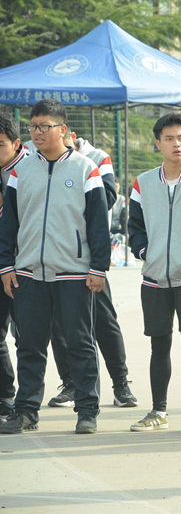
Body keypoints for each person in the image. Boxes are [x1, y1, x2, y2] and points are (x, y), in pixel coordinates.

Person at [0, 99, 110, 435]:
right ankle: (26, 412)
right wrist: (6, 265)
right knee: (29, 345)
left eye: (44, 127)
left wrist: (98, 268)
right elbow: (9, 224)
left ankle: (87, 411)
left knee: (79, 343)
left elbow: (98, 224)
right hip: (29, 273)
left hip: (74, 273)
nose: (37, 133)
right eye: (33, 127)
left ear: (62, 129)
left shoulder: (85, 169)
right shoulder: (21, 171)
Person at [127, 114, 181, 434]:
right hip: (153, 280)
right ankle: (158, 411)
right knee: (159, 346)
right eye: (169, 139)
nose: (177, 144)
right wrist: (145, 253)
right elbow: (135, 227)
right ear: (157, 144)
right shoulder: (144, 182)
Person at [43, 130, 137, 409]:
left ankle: (120, 384)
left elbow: (107, 197)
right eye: (37, 128)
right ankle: (71, 383)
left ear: (67, 133)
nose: (43, 135)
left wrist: (73, 170)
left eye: (51, 129)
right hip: (52, 257)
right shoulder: (37, 159)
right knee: (59, 325)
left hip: (89, 256)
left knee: (104, 321)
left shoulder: (96, 157)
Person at [0, 112, 27, 423]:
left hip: (24, 265)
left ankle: (27, 403)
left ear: (16, 143)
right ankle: (6, 396)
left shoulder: (29, 171)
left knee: (27, 338)